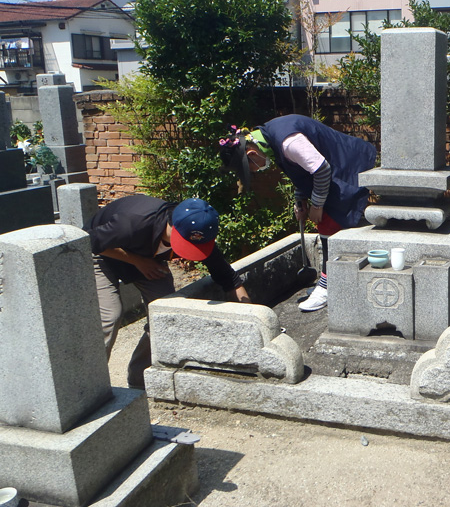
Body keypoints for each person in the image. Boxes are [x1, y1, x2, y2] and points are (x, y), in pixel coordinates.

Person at [85, 195, 250, 389]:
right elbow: (87, 241)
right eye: (186, 245)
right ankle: (89, 389)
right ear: (172, 226)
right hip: (105, 253)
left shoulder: (197, 232)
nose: (190, 251)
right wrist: (137, 261)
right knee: (110, 316)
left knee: (165, 315)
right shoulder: (133, 222)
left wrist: (250, 317)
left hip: (148, 257)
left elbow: (228, 277)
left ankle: (138, 379)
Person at [218, 114, 376, 312]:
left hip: (348, 165)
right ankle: (331, 280)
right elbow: (300, 171)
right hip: (333, 167)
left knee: (328, 219)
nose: (256, 172)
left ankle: (328, 286)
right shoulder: (270, 137)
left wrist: (316, 205)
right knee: (327, 222)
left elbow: (320, 170)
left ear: (251, 154)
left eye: (251, 169)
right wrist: (300, 198)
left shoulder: (288, 141)